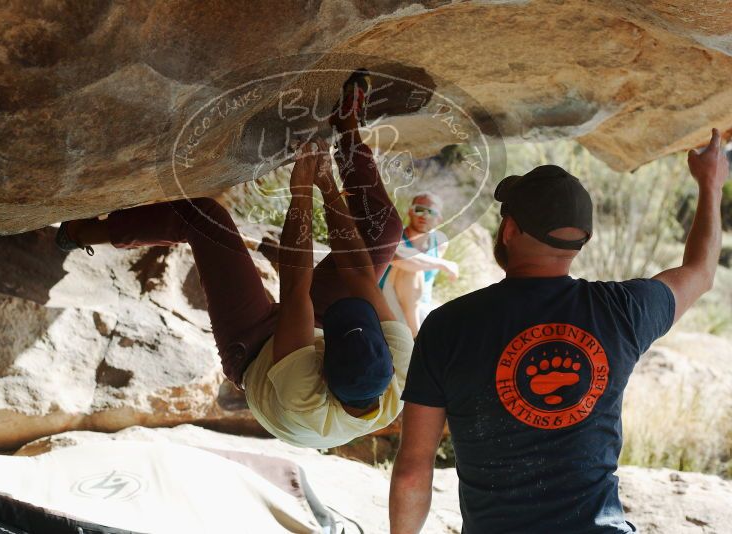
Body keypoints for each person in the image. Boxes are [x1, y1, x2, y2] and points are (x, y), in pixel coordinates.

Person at [389, 129, 729, 533]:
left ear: (510, 230)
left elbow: (413, 472)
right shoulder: (622, 311)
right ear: (582, 239)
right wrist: (710, 183)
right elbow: (702, 272)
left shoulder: (448, 326)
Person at [55, 72, 414, 449]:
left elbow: (297, 290)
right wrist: (327, 184)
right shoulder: (399, 369)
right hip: (316, 338)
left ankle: (79, 233)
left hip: (256, 346)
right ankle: (346, 124)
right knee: (384, 231)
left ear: (322, 371)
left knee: (203, 218)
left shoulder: (302, 396)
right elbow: (358, 271)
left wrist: (303, 191)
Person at [379, 192, 458, 336]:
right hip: (389, 303)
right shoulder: (395, 235)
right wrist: (443, 264)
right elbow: (400, 257)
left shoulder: (439, 243)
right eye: (419, 209)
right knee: (414, 270)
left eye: (431, 212)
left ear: (439, 219)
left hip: (423, 307)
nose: (424, 216)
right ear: (410, 211)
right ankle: (416, 336)